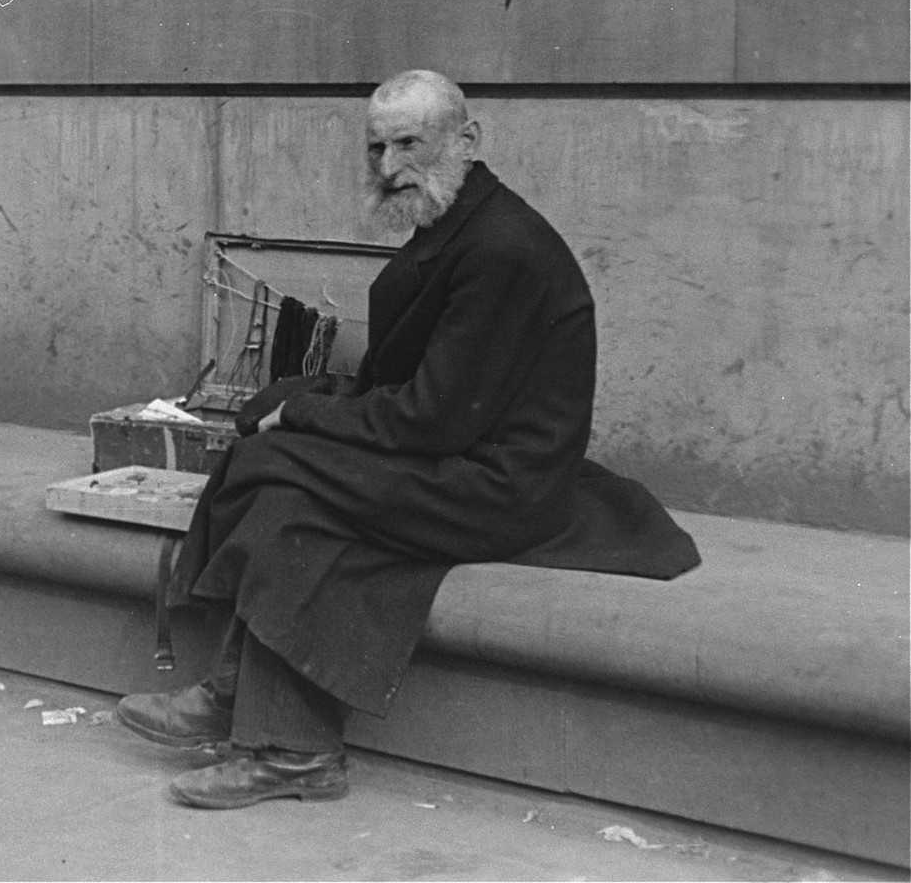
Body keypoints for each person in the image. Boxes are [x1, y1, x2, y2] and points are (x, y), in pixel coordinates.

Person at [117, 69, 700, 809]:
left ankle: (294, 754)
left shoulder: (501, 248)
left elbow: (432, 419)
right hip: (456, 457)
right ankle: (238, 701)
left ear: (467, 139)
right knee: (268, 461)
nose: (389, 169)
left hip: (495, 485)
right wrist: (298, 405)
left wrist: (303, 415)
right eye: (376, 149)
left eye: (409, 145)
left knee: (292, 491)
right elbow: (415, 394)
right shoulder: (458, 224)